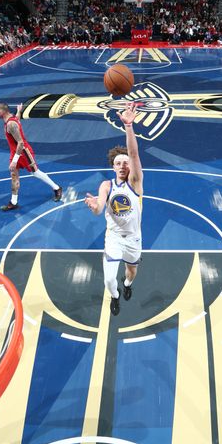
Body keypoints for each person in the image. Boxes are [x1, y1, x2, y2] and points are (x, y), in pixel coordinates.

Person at [83, 102, 142, 316]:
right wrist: (94, 206)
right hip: (114, 238)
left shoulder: (135, 182)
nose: (123, 165)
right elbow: (99, 208)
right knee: (108, 279)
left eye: (126, 162)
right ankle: (115, 296)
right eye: (119, 163)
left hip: (134, 238)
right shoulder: (107, 185)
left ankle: (126, 284)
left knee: (131, 272)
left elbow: (134, 154)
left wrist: (128, 127)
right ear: (113, 166)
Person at [0, 103, 62, 211]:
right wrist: (19, 111)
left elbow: (20, 143)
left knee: (35, 172)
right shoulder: (12, 119)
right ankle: (13, 202)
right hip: (15, 152)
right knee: (14, 175)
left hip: (24, 152)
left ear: (3, 111)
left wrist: (14, 161)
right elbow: (17, 119)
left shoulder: (11, 124)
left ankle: (57, 188)